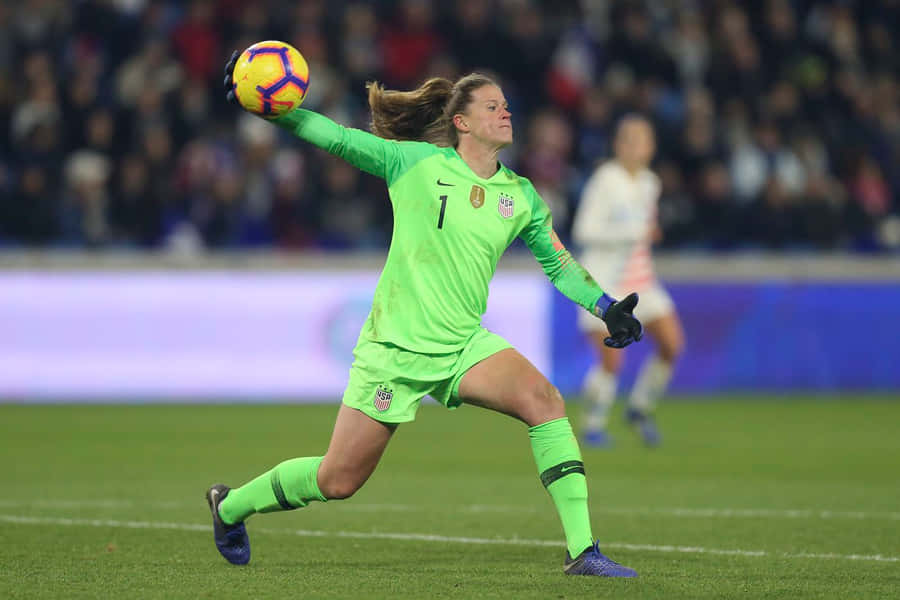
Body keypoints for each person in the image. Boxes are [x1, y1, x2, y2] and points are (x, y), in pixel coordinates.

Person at [205, 51, 644, 577]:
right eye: (492, 107)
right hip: (395, 348)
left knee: (544, 401)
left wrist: (605, 306)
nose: (506, 114)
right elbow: (340, 139)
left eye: (506, 106)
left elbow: (558, 262)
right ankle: (229, 507)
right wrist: (278, 113)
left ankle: (583, 552)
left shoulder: (522, 195)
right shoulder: (414, 163)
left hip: (463, 345)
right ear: (461, 123)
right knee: (337, 481)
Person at [572, 115, 685, 448]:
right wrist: (632, 233)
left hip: (642, 282)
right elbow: (584, 231)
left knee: (672, 344)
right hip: (604, 283)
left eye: (644, 140)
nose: (638, 147)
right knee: (612, 359)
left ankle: (639, 407)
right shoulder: (606, 180)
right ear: (619, 145)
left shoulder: (650, 182)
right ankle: (592, 424)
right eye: (630, 140)